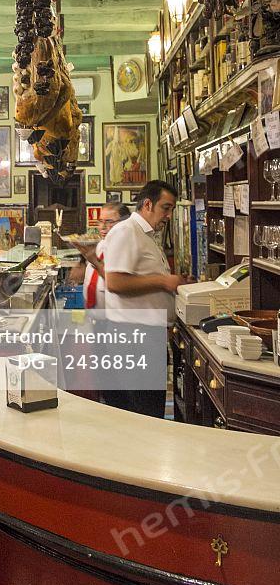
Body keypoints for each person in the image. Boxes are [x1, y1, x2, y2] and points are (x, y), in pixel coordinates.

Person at [102, 180, 193, 420]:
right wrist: (164, 282)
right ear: (148, 204)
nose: (169, 215)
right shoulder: (127, 231)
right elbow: (115, 282)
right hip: (133, 339)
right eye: (166, 208)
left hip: (144, 337)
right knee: (144, 414)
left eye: (172, 209)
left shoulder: (147, 235)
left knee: (147, 410)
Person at [68, 203, 131, 309]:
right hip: (93, 313)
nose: (102, 227)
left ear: (124, 222)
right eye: (100, 221)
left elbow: (119, 283)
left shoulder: (127, 248)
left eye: (109, 222)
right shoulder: (101, 243)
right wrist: (81, 266)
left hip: (112, 316)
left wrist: (94, 261)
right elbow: (91, 272)